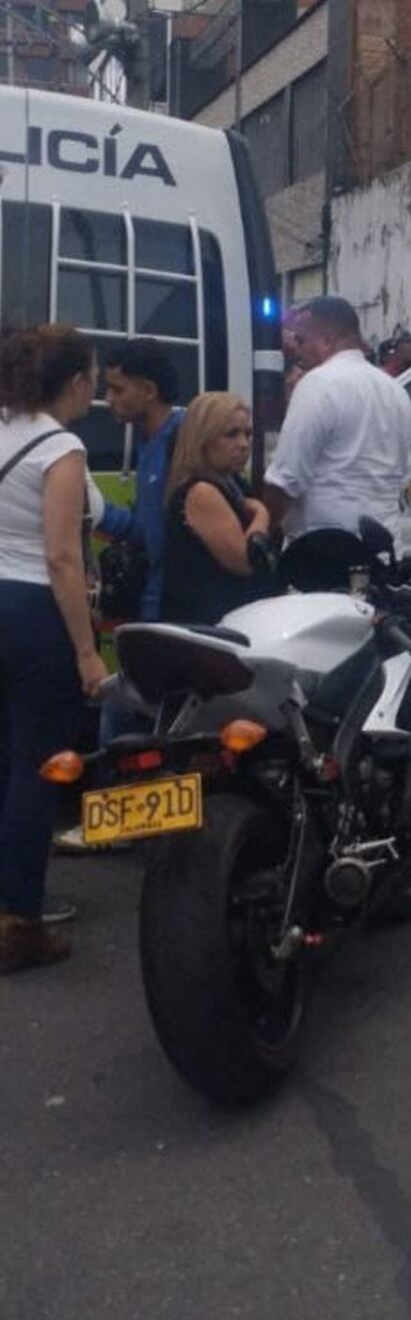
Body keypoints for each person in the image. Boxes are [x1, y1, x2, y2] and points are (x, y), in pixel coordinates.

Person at [0, 324, 108, 971]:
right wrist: (88, 653)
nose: (96, 386)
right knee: (39, 767)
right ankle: (18, 920)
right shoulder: (61, 446)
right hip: (32, 614)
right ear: (73, 381)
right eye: (92, 375)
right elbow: (63, 558)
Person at [264, 295, 411, 546]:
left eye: (301, 340)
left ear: (326, 340)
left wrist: (260, 533)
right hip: (384, 548)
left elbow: (286, 479)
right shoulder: (396, 392)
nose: (296, 350)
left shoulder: (318, 384)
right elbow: (403, 476)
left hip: (324, 549)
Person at [161, 393, 271, 627]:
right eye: (231, 434)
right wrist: (262, 514)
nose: (243, 444)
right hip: (208, 629)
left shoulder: (233, 484)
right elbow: (246, 562)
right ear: (202, 439)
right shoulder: (202, 492)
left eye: (248, 434)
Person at [100, 338, 183, 621]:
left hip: (174, 607)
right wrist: (94, 509)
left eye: (117, 389)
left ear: (148, 391)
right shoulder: (149, 441)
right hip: (155, 602)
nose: (108, 399)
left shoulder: (185, 441)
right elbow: (146, 529)